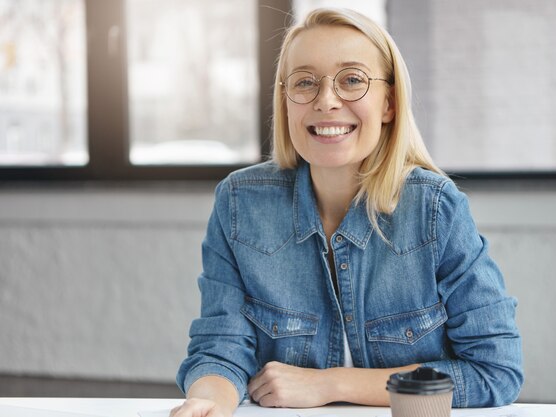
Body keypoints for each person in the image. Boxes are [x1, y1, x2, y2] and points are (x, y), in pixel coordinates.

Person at [170, 7, 523, 417]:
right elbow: (220, 350)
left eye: (352, 80)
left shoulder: (435, 209)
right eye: (304, 83)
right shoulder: (238, 204)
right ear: (285, 101)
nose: (326, 101)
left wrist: (331, 384)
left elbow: (495, 370)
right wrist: (207, 404)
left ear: (389, 103)